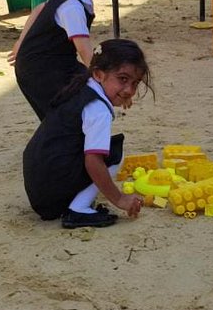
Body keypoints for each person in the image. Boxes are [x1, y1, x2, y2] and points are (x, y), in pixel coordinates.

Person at [23, 38, 150, 228]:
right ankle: (78, 209)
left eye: (135, 83)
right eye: (123, 79)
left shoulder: (82, 85)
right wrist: (120, 198)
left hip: (40, 185)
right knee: (115, 153)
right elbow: (93, 161)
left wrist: (119, 91)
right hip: (51, 195)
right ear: (99, 74)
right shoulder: (98, 109)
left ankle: (75, 202)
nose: (129, 90)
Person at [8, 0, 126, 120]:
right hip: (40, 71)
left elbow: (41, 8)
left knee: (83, 99)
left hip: (56, 63)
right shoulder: (73, 7)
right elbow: (86, 52)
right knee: (65, 119)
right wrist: (105, 87)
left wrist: (21, 42)